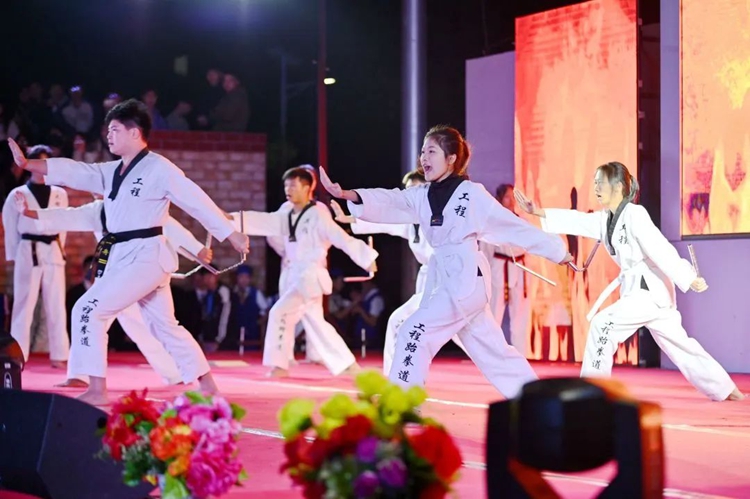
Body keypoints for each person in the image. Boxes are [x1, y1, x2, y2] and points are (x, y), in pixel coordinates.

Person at [7, 98, 249, 405]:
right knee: (164, 326)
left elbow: (194, 199)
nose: (108, 135)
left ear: (135, 133)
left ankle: (97, 388)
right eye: (108, 130)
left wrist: (230, 233)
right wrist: (28, 165)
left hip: (147, 255)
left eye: (115, 130)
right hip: (127, 257)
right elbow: (75, 171)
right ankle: (208, 384)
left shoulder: (159, 168)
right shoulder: (111, 171)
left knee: (88, 309)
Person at [320, 125, 571, 397]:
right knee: (494, 353)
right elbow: (391, 200)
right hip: (446, 281)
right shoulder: (421, 195)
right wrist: (348, 194)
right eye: (422, 152)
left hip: (465, 280)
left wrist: (557, 251)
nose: (423, 158)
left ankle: (402, 403)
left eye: (431, 151)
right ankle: (536, 398)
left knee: (413, 331)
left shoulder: (472, 194)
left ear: (451, 158)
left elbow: (512, 226)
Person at [514, 161, 744, 401]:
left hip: (648, 291)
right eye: (595, 183)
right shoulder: (605, 219)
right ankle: (725, 389)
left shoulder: (635, 214)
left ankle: (591, 395)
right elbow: (577, 220)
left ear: (618, 187)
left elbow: (660, 248)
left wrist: (688, 277)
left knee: (602, 326)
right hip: (645, 294)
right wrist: (537, 211)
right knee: (681, 346)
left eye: (601, 183)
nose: (596, 188)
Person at [15, 194, 218, 387]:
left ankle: (174, 373)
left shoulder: (138, 205)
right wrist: (31, 213)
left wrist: (196, 250)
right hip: (111, 277)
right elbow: (67, 216)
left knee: (147, 325)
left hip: (141, 273)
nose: (97, 192)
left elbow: (167, 226)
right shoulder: (97, 210)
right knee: (93, 317)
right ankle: (80, 375)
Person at [231, 166, 378, 377]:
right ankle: (347, 364)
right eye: (286, 186)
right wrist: (229, 220)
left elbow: (340, 237)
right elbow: (263, 222)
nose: (288, 190)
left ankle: (280, 365)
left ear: (308, 188)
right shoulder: (286, 212)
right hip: (292, 271)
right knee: (315, 321)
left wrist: (367, 258)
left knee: (280, 312)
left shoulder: (318, 213)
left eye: (293, 186)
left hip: (310, 275)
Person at [330, 170, 469, 376]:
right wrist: (348, 218)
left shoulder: (441, 213)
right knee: (461, 332)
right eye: (408, 190)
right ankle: (394, 377)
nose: (411, 193)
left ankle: (393, 378)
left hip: (446, 280)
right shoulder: (409, 221)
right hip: (429, 281)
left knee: (401, 322)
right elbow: (382, 222)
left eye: (416, 188)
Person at [2, 144, 69, 367]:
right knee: (24, 304)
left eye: (45, 164)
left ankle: (60, 355)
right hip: (27, 249)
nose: (41, 169)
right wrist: (13, 256)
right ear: (29, 166)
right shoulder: (17, 194)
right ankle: (17, 355)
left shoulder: (60, 194)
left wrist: (61, 249)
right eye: (38, 164)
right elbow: (10, 226)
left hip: (53, 249)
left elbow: (64, 225)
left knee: (56, 304)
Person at [478, 184, 533, 358]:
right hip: (499, 270)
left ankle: (520, 355)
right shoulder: (491, 222)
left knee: (520, 316)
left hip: (520, 270)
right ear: (500, 199)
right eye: (507, 197)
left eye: (512, 197)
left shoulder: (522, 222)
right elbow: (484, 251)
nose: (511, 201)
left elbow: (531, 246)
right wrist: (484, 276)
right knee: (494, 314)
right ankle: (491, 354)